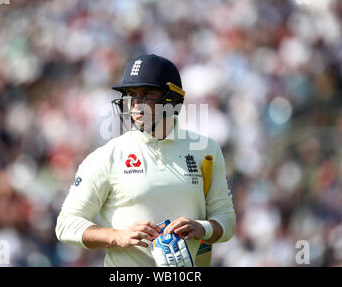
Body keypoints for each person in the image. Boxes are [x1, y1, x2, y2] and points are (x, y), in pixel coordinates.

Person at [55, 54, 236, 267]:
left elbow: (226, 219)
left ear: (171, 98)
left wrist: (203, 228)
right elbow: (66, 225)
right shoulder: (108, 155)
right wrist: (118, 236)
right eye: (131, 95)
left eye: (146, 94)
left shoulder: (206, 150)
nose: (135, 105)